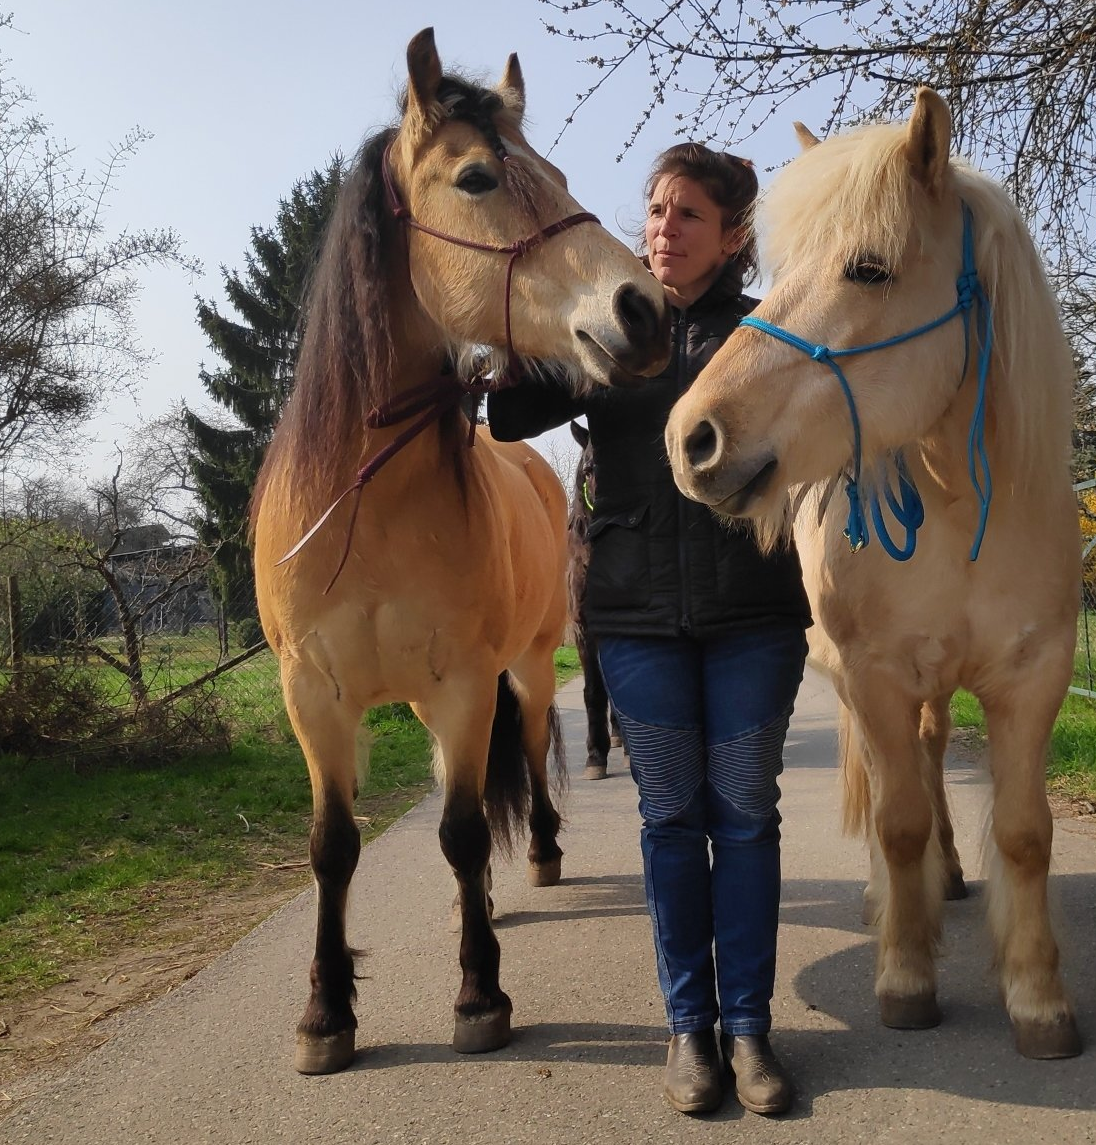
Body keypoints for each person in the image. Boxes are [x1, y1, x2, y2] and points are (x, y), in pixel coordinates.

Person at [488, 143, 811, 1117]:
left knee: (743, 814)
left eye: (688, 214)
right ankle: (688, 1029)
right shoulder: (611, 326)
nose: (664, 229)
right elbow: (507, 414)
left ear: (733, 235)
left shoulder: (766, 333)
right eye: (657, 210)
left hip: (753, 613)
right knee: (670, 818)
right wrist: (520, 304)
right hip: (634, 618)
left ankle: (747, 1026)